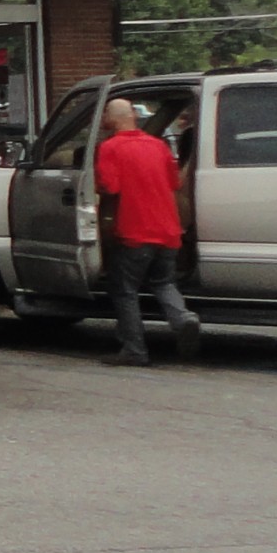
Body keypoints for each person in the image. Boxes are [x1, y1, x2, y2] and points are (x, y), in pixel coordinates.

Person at [93, 95, 200, 366]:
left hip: (134, 231)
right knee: (163, 282)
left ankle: (134, 350)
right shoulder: (158, 146)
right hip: (168, 230)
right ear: (134, 117)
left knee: (124, 290)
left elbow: (110, 187)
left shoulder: (110, 148)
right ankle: (183, 318)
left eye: (105, 115)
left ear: (110, 119)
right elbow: (173, 182)